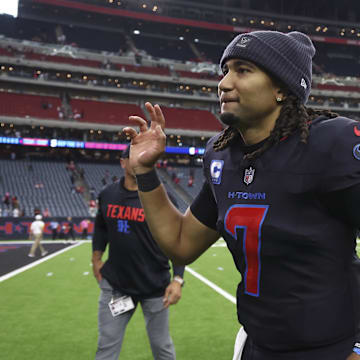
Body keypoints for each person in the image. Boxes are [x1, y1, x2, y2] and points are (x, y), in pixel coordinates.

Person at [124, 30, 360, 360]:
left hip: (330, 348)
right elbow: (180, 243)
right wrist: (145, 173)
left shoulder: (332, 143)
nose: (224, 82)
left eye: (243, 69)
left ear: (281, 87)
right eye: (226, 70)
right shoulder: (223, 156)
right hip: (257, 345)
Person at [92, 145, 185, 360]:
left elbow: (177, 237)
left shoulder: (163, 197)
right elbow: (101, 226)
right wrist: (96, 257)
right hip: (118, 287)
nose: (138, 162)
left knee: (162, 347)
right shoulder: (108, 194)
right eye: (133, 158)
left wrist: (178, 279)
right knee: (107, 346)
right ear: (123, 162)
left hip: (155, 288)